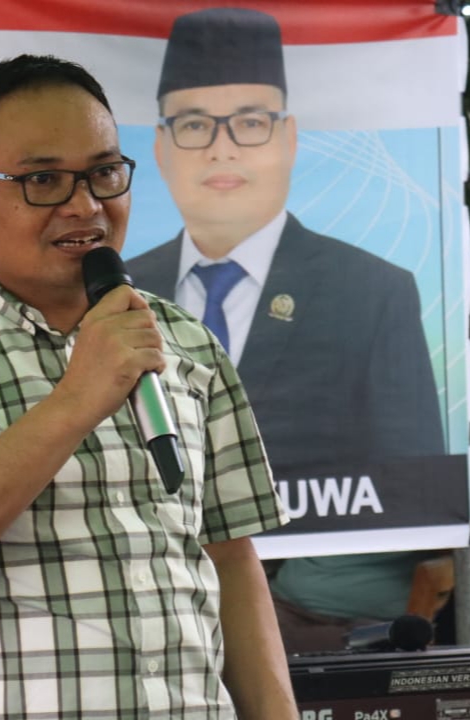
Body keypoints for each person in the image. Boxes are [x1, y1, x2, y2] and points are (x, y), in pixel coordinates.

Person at [0, 54, 298, 718]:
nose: (85, 205)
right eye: (42, 180)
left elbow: (229, 561)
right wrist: (77, 398)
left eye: (103, 173)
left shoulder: (184, 340)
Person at [124, 7, 447, 653]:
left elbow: (418, 500)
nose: (221, 147)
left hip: (317, 621)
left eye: (249, 122)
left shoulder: (371, 290)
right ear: (159, 148)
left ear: (288, 138)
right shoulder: (119, 295)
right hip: (149, 612)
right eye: (194, 125)